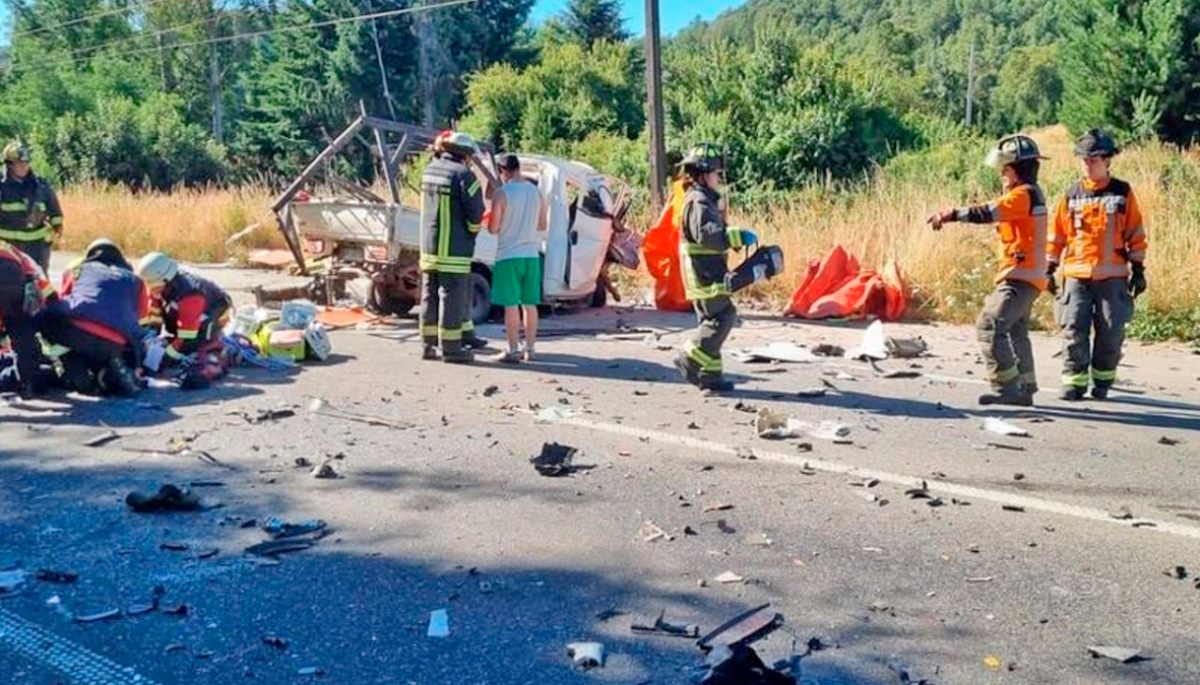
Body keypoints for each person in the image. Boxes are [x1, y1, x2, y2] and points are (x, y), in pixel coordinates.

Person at [927, 134, 1050, 406]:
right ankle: (1025, 388)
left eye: (1005, 168)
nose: (1002, 174)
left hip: (1020, 277)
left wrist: (951, 214)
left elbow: (988, 211)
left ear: (1018, 168)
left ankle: (1006, 388)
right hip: (1029, 276)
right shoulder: (1030, 194)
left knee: (990, 326)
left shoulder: (1023, 195)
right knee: (1016, 331)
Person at [1048, 129, 1148, 401]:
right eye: (1084, 159)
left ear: (1107, 160)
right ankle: (1074, 382)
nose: (1087, 164)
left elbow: (1135, 233)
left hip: (1112, 276)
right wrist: (1049, 267)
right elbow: (1057, 235)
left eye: (1093, 159)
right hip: (1076, 275)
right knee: (1072, 329)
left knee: (1111, 331)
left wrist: (1138, 269)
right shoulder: (1071, 195)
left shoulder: (1122, 193)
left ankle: (1102, 379)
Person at [674, 144, 757, 393]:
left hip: (706, 271)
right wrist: (737, 236)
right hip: (705, 274)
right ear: (702, 173)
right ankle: (688, 359)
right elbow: (709, 236)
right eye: (716, 173)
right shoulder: (699, 202)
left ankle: (710, 376)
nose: (719, 178)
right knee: (723, 317)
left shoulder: (702, 199)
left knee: (711, 319)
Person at [37, 239, 145, 396]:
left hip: (76, 334)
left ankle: (69, 365)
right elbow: (140, 316)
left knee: (46, 317)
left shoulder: (77, 269)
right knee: (100, 347)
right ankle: (111, 368)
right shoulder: (136, 280)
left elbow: (63, 298)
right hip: (115, 342)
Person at [418, 131, 486, 364]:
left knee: (429, 296)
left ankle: (428, 345)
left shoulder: (429, 170)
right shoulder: (465, 176)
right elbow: (476, 214)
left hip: (429, 248)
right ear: (465, 155)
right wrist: (472, 231)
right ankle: (451, 349)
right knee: (452, 297)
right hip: (454, 250)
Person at [487, 154, 547, 363]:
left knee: (511, 305)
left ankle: (512, 349)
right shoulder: (536, 193)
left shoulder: (501, 194)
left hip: (508, 255)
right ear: (518, 168)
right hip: (531, 255)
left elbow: (493, 228)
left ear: (503, 171)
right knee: (530, 304)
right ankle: (530, 349)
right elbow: (541, 225)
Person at [136, 252, 232, 367]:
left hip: (213, 317)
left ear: (167, 281)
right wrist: (150, 340)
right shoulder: (159, 286)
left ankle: (212, 342)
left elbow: (187, 336)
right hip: (188, 316)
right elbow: (153, 317)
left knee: (194, 342)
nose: (152, 291)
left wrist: (167, 356)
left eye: (155, 287)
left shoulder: (190, 293)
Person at [0, 238, 55, 397]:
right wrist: (53, 301)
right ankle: (28, 384)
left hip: (11, 275)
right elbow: (38, 280)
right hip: (13, 278)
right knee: (21, 328)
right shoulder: (12, 249)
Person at [0, 142, 63, 271]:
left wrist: (57, 227)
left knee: (40, 282)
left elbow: (55, 211)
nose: (24, 166)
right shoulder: (2, 187)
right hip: (7, 246)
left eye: (26, 162)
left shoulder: (40, 186)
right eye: (19, 163)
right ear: (9, 165)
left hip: (37, 247)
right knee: (9, 282)